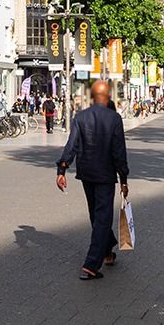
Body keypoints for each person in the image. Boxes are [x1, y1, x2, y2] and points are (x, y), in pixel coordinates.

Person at [55, 79, 129, 280]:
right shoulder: (114, 119)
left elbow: (72, 146)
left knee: (96, 214)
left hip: (86, 173)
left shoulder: (81, 117)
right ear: (107, 97)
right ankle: (91, 264)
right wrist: (124, 178)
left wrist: (62, 169)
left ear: (93, 96)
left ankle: (107, 249)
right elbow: (118, 152)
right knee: (102, 216)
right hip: (105, 174)